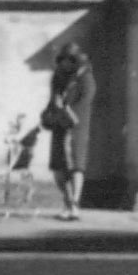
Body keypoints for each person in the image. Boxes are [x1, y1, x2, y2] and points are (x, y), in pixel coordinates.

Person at [40, 37, 95, 222]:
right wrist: (48, 114)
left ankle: (74, 204)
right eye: (62, 60)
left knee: (75, 166)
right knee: (58, 168)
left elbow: (84, 103)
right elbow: (52, 100)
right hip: (59, 126)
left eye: (69, 60)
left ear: (75, 61)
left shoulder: (85, 78)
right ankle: (67, 201)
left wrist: (65, 109)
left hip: (76, 128)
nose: (65, 63)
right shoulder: (57, 77)